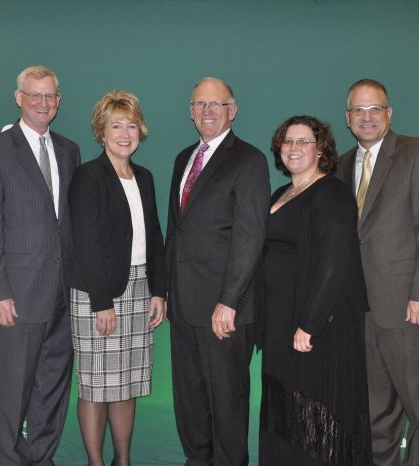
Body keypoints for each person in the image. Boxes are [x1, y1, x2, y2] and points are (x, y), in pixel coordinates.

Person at [336, 79, 419, 466]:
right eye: (358, 111)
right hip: (361, 312)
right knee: (376, 412)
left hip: (408, 306)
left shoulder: (418, 153)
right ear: (347, 118)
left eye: (375, 109)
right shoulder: (338, 166)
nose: (366, 118)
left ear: (389, 113)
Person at [0, 65, 80, 465]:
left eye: (50, 96)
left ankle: (41, 459)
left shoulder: (69, 150)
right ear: (19, 98)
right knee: (12, 393)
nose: (43, 103)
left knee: (52, 389)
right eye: (35, 95)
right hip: (17, 295)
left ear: (58, 101)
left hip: (63, 296)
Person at [165, 77, 270, 466]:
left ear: (233, 110)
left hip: (224, 313)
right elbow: (176, 233)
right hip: (184, 308)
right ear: (191, 111)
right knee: (190, 405)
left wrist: (229, 302)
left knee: (226, 408)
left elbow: (250, 237)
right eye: (200, 104)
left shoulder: (249, 160)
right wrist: (162, 292)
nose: (208, 111)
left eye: (216, 104)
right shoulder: (182, 159)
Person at [258, 115, 372, 466]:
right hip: (279, 325)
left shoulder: (333, 192)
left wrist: (310, 323)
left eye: (303, 141)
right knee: (286, 414)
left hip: (316, 330)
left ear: (320, 150)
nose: (294, 148)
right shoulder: (280, 193)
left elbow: (336, 263)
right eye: (288, 141)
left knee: (315, 417)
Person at [65, 90, 167, 466]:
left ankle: (122, 461)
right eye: (116, 126)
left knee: (127, 382)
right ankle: (96, 462)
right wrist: (102, 301)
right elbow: (87, 244)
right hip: (98, 291)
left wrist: (159, 290)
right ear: (101, 132)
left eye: (131, 125)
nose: (125, 133)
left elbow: (155, 235)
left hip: (140, 289)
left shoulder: (145, 177)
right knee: (95, 386)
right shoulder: (88, 177)